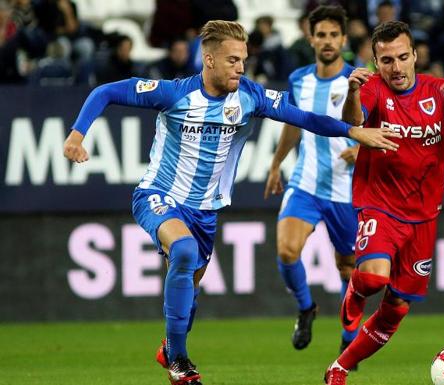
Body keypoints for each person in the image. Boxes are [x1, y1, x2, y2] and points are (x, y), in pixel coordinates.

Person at [62, 20, 399, 385]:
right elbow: (106, 92)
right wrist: (77, 135)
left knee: (189, 291)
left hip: (206, 211)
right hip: (158, 194)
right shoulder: (174, 93)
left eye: (244, 60)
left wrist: (352, 130)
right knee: (185, 251)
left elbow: (302, 117)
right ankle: (179, 361)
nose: (241, 67)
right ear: (208, 60)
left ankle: (169, 347)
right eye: (233, 60)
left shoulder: (250, 96)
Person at [323, 21, 444, 384]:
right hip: (380, 204)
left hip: (424, 216)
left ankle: (339, 368)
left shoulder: (437, 91)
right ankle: (355, 290)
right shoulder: (372, 88)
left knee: (396, 307)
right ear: (375, 62)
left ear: (416, 56)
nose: (396, 68)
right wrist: (353, 92)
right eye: (386, 60)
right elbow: (352, 121)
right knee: (373, 278)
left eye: (403, 57)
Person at [264, 5, 360, 354]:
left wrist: (363, 151)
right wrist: (277, 164)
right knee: (287, 250)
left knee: (348, 268)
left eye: (334, 34)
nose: (328, 41)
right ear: (311, 38)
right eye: (321, 34)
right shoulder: (299, 79)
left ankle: (349, 342)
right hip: (305, 182)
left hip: (345, 189)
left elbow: (379, 129)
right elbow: (293, 122)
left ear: (344, 39)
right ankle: (306, 308)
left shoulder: (358, 79)